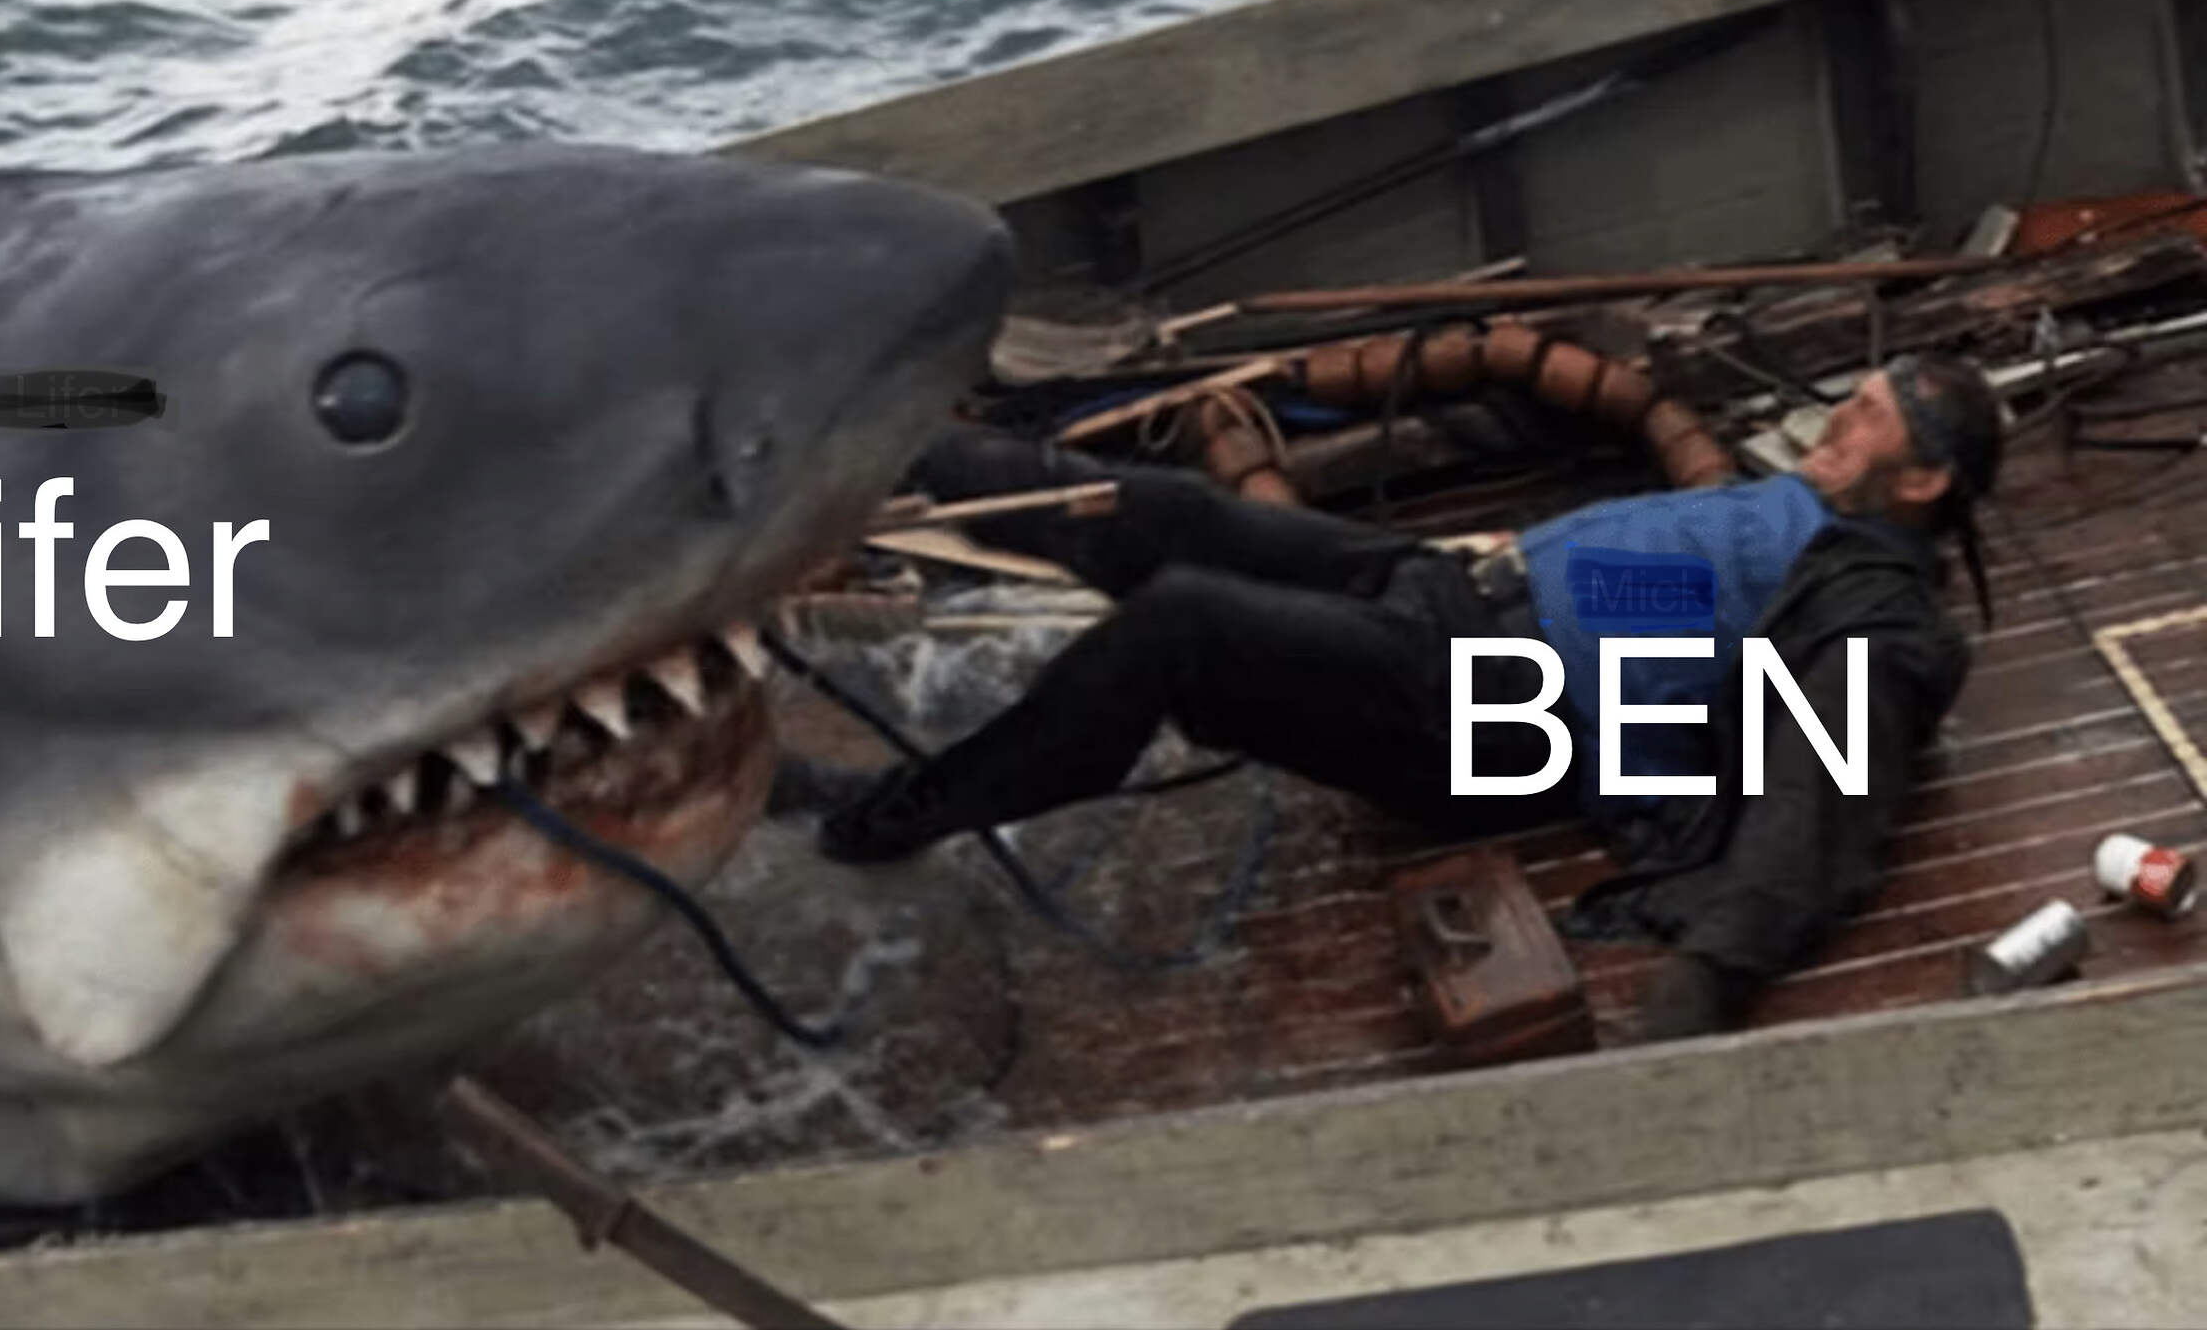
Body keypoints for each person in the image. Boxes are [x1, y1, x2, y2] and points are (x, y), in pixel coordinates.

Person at [815, 353, 2005, 1039]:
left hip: (1501, 713)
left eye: (1867, 417)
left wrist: (1706, 977)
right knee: (1154, 508)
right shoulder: (1816, 519)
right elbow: (1680, 609)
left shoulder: (1879, 618)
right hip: (1454, 591)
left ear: (1924, 479)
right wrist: (1533, 570)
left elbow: (1826, 790)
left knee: (1180, 622)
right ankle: (855, 449)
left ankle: (875, 819)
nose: (1835, 416)